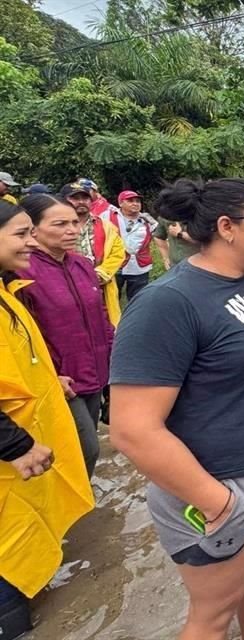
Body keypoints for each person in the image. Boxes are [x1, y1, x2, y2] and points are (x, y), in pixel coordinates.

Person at [109, 178, 244, 639]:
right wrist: (218, 502)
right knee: (214, 612)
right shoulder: (168, 303)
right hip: (218, 481)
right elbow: (131, 430)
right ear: (227, 227)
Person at [0, 200, 94, 638]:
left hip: (30, 437)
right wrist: (15, 445)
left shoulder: (5, 292)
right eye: (21, 234)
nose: (30, 243)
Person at [16, 195, 113, 478]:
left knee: (86, 440)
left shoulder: (82, 265)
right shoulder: (21, 272)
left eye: (74, 223)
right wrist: (48, 377)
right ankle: (72, 512)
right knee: (86, 448)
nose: (73, 230)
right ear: (31, 230)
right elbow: (20, 336)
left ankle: (79, 501)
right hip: (58, 379)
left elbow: (102, 315)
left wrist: (114, 358)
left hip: (95, 370)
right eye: (60, 224)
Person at [60, 182, 125, 327]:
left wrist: (100, 274)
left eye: (85, 198)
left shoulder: (105, 225)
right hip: (66, 286)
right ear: (63, 201)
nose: (81, 202)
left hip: (100, 286)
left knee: (103, 324)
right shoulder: (56, 226)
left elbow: (118, 252)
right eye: (75, 198)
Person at [104, 190, 155, 302]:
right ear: (121, 203)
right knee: (111, 299)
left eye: (137, 201)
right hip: (115, 265)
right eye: (130, 201)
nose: (135, 203)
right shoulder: (107, 216)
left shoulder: (147, 220)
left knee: (138, 299)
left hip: (140, 266)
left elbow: (161, 235)